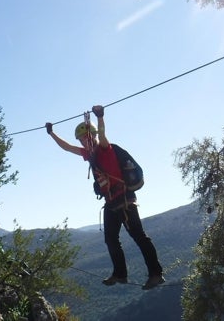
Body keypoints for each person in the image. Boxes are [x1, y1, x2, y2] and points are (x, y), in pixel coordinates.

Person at [45, 105, 164, 289]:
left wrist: (100, 117)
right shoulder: (88, 154)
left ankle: (156, 274)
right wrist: (52, 134)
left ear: (91, 136)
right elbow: (67, 148)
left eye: (86, 137)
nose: (84, 141)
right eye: (82, 139)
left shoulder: (104, 148)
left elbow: (102, 135)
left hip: (124, 199)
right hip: (111, 202)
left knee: (139, 236)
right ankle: (120, 274)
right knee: (110, 239)